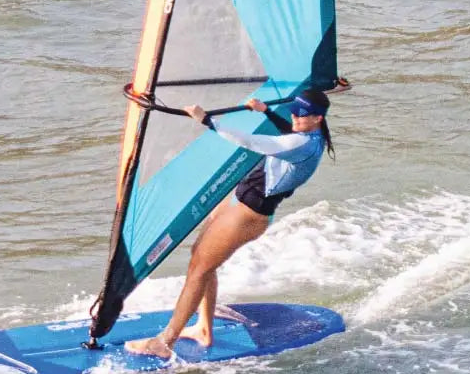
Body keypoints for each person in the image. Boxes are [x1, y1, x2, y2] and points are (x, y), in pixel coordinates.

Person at [125, 88, 334, 359]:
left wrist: (207, 121)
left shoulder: (302, 145)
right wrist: (267, 111)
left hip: (249, 214)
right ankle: (203, 328)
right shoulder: (306, 135)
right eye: (293, 110)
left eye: (302, 114)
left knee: (199, 270)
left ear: (318, 118)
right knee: (199, 260)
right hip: (240, 200)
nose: (295, 116)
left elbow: (251, 142)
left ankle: (165, 341)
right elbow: (290, 134)